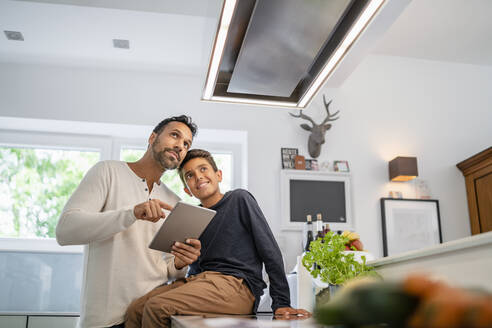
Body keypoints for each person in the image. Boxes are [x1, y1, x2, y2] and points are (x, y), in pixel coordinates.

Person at [125, 149, 311, 328]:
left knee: (157, 307)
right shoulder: (192, 217)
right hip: (200, 282)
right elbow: (195, 268)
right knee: (136, 310)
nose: (198, 176)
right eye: (189, 175)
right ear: (187, 190)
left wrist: (281, 302)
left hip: (235, 285)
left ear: (219, 175)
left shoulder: (239, 199)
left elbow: (270, 251)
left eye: (203, 169)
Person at [55, 115, 202, 328]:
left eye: (186, 143)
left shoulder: (174, 202)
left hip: (149, 316)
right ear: (152, 138)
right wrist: (131, 214)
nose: (180, 145)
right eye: (174, 135)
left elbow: (170, 269)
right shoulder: (108, 171)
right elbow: (65, 231)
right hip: (104, 320)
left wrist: (181, 262)